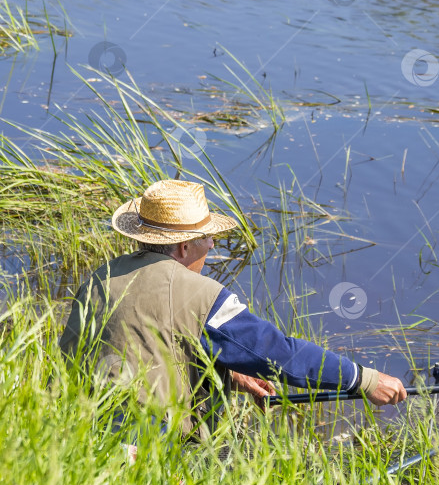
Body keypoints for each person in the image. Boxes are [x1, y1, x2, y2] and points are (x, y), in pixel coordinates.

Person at [60, 179, 407, 440]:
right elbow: (281, 354)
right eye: (207, 238)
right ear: (183, 247)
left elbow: (137, 349)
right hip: (146, 446)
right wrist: (364, 380)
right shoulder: (200, 294)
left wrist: (229, 372)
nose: (212, 244)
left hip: (77, 429)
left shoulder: (99, 277)